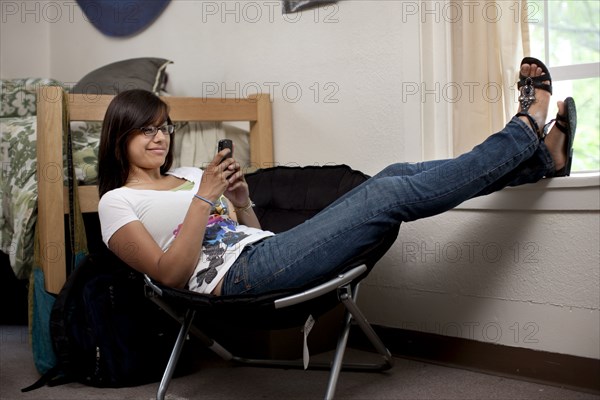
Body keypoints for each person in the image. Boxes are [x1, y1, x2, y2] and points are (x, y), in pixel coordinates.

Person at [98, 57, 576, 296]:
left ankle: (540, 162)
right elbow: (168, 275)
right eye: (144, 130)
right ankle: (525, 133)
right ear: (119, 138)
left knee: (394, 174)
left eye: (163, 127)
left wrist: (240, 201)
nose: (158, 138)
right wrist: (204, 199)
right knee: (389, 191)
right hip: (237, 281)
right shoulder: (116, 203)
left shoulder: (184, 173)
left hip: (265, 252)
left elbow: (254, 235)